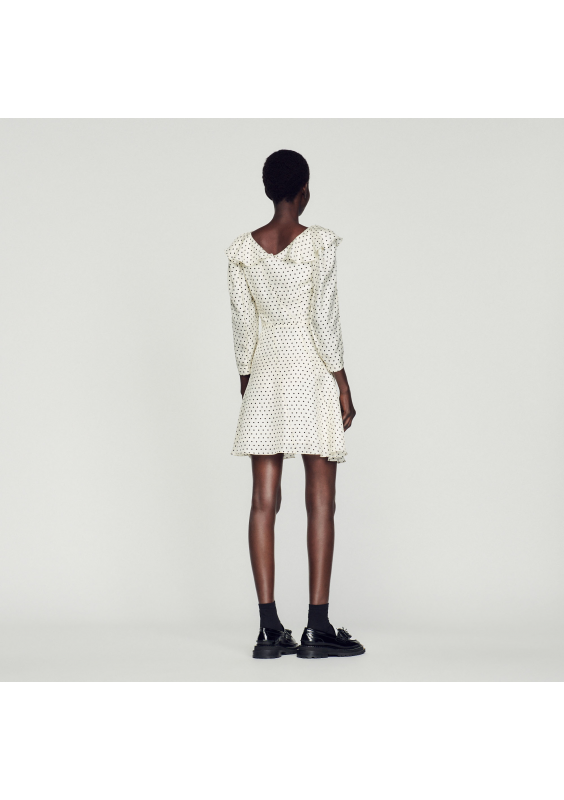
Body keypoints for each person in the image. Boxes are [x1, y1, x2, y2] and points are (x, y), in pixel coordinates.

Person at [226, 149, 365, 659]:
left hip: (265, 376)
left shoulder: (241, 250)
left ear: (268, 191)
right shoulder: (319, 243)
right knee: (320, 502)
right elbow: (323, 319)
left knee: (263, 502)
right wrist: (342, 382)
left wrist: (250, 384)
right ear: (304, 190)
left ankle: (268, 630)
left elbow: (243, 327)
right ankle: (316, 628)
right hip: (311, 375)